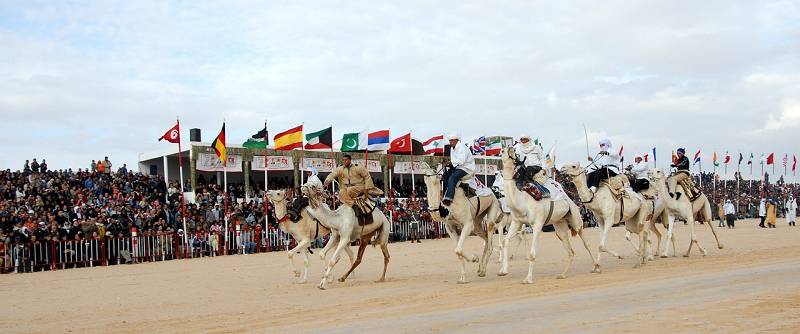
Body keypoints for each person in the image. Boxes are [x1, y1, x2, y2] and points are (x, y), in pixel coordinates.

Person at [441, 134, 475, 206]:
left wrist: (450, 163)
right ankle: (445, 194)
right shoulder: (452, 148)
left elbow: (461, 161)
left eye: (452, 140)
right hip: (458, 167)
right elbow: (454, 161)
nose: (450, 142)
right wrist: (448, 164)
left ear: (457, 140)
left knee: (452, 178)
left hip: (467, 168)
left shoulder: (462, 147)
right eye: (450, 141)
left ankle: (449, 198)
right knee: (444, 176)